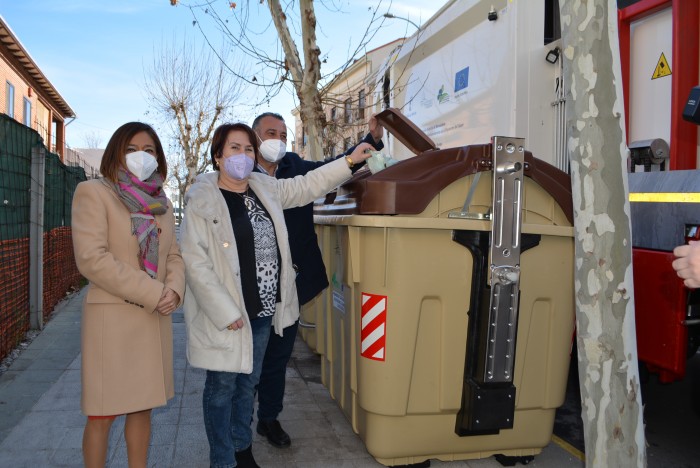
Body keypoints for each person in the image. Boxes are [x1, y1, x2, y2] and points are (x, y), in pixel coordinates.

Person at [180, 122, 374, 468]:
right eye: (234, 149)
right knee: (222, 389)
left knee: (247, 384)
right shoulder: (202, 199)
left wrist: (350, 161)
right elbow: (196, 264)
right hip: (226, 315)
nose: (243, 156)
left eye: (249, 149)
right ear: (218, 156)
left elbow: (306, 185)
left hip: (264, 309)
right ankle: (222, 459)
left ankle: (242, 448)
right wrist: (226, 312)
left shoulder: (264, 186)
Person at [251, 112, 383, 448]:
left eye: (282, 134)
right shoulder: (240, 174)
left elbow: (332, 167)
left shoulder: (294, 166)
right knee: (248, 361)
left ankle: (269, 418)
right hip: (254, 286)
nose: (277, 140)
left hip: (292, 282)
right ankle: (240, 426)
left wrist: (371, 142)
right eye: (270, 133)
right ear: (253, 137)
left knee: (279, 357)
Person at [71, 122, 185, 468]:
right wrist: (155, 291)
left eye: (150, 150)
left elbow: (174, 255)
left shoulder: (161, 201)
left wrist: (175, 292)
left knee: (142, 408)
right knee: (102, 414)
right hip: (113, 323)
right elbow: (93, 259)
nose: (142, 156)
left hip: (151, 322)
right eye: (132, 148)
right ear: (116, 152)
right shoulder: (94, 192)